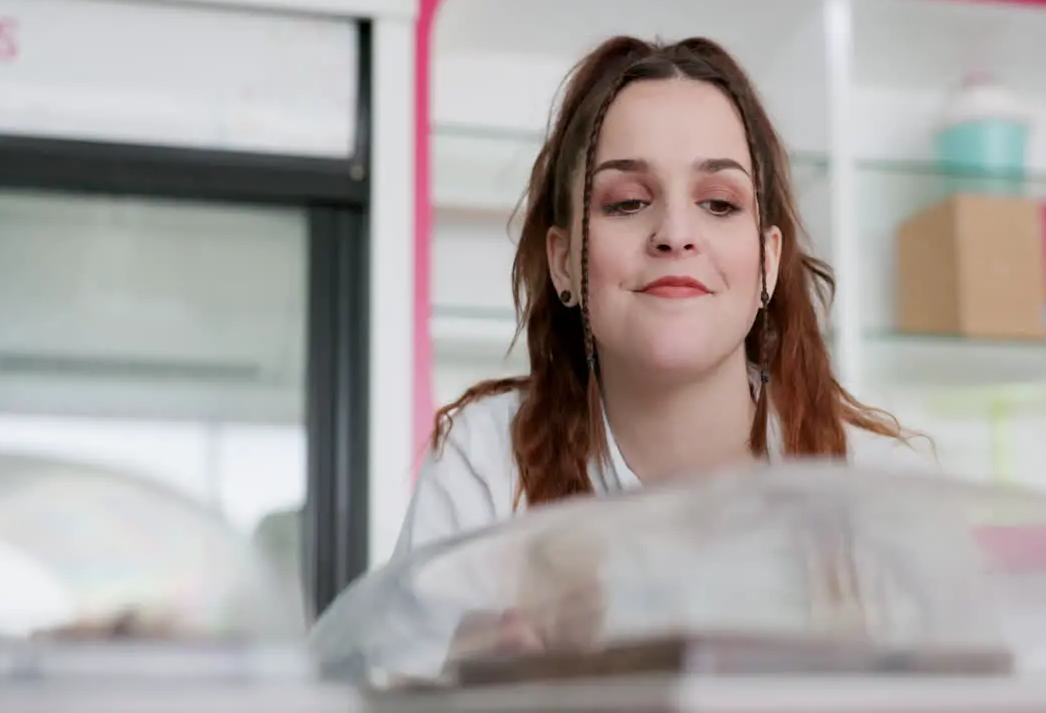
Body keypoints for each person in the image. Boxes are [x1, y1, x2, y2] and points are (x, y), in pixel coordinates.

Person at [393, 36, 927, 658]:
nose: (675, 233)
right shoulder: (484, 468)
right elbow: (394, 671)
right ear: (564, 264)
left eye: (719, 204)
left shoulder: (883, 495)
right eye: (627, 203)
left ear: (768, 263)